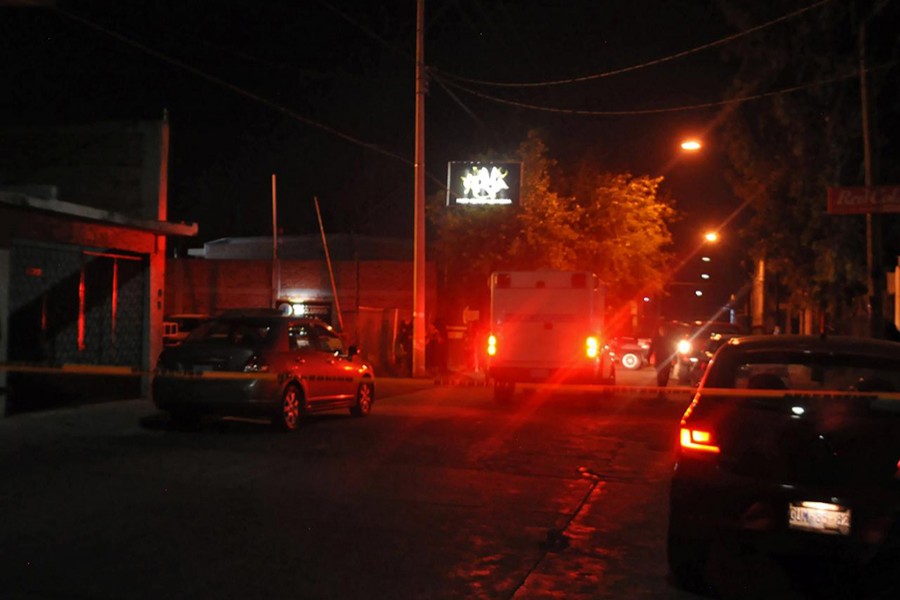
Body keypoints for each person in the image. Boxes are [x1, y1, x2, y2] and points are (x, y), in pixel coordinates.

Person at [647, 323, 678, 390]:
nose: (662, 332)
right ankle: (660, 389)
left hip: (667, 359)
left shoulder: (669, 339)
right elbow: (651, 348)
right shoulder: (656, 339)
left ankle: (663, 388)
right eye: (661, 330)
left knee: (666, 374)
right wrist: (648, 357)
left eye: (664, 330)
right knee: (660, 374)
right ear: (659, 331)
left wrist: (675, 358)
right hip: (659, 359)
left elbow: (674, 349)